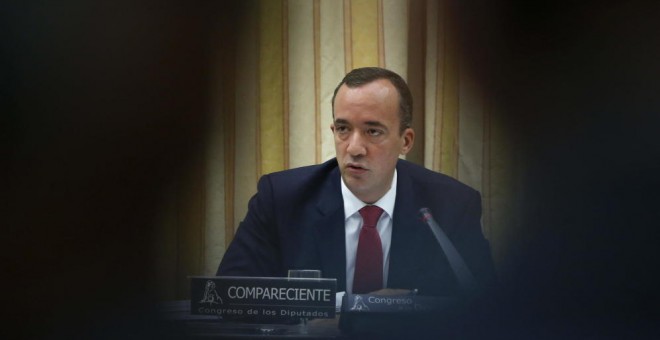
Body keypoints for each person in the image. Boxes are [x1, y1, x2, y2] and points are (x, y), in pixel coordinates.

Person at [217, 67, 496, 297]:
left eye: (373, 131)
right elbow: (231, 295)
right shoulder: (282, 199)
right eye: (343, 129)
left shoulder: (450, 206)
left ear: (406, 141)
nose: (354, 148)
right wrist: (343, 310)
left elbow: (484, 305)